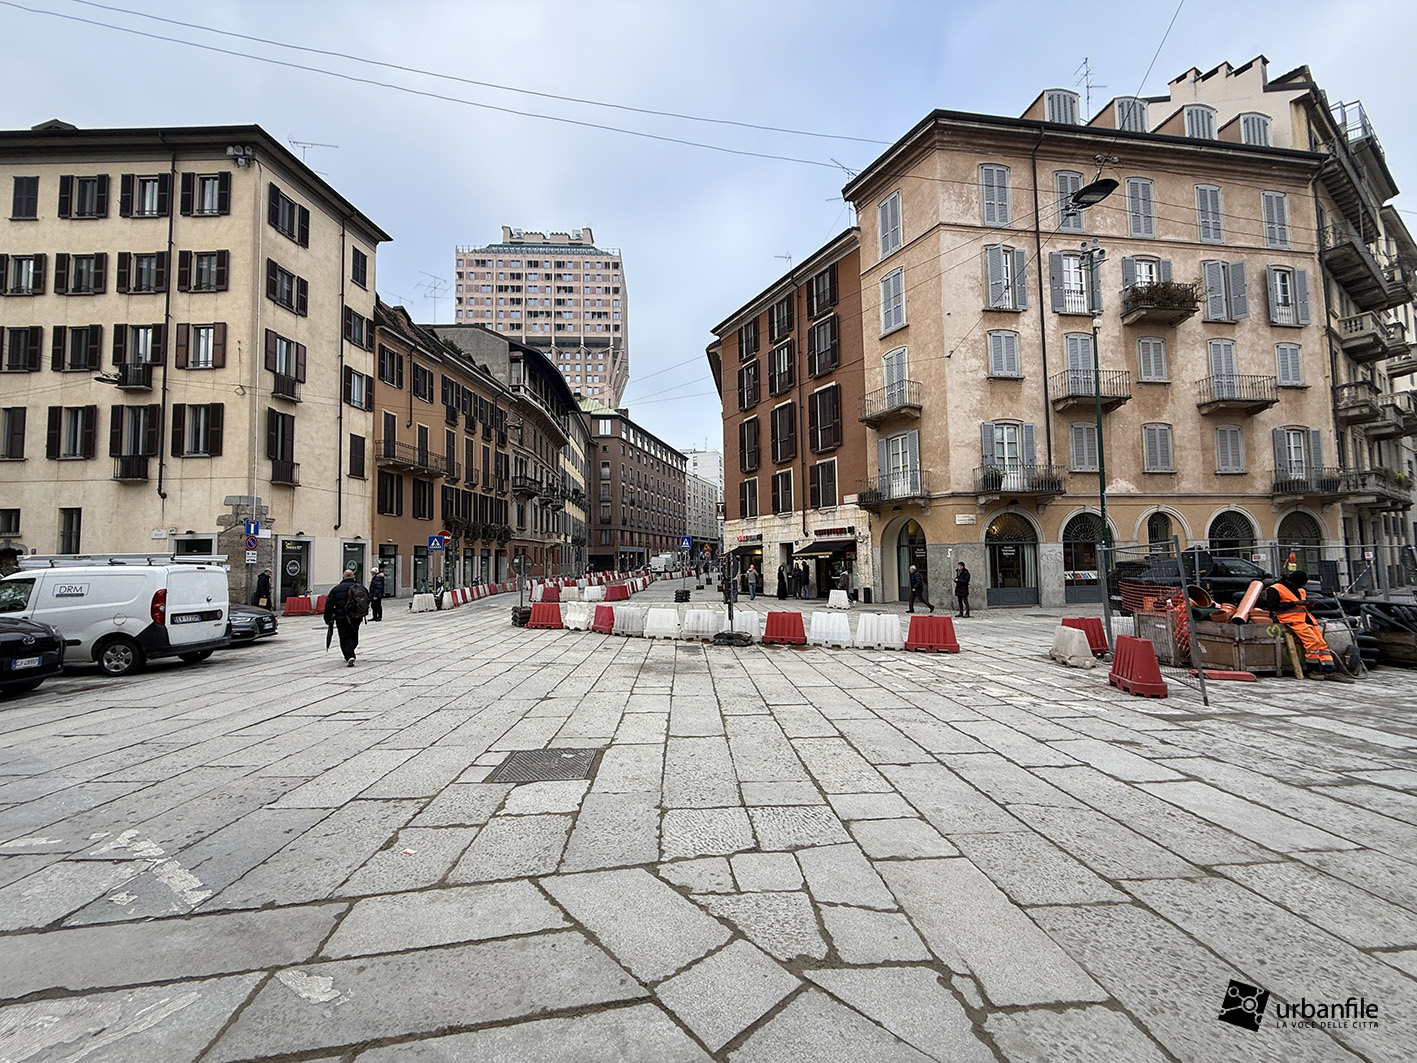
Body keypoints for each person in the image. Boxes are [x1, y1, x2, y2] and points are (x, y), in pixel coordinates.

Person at [1258, 569, 1335, 674]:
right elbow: (1272, 606)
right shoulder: (1275, 589)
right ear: (1292, 582)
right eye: (1299, 585)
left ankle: (1329, 669)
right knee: (1312, 642)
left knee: (1322, 644)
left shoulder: (1301, 590)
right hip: (1291, 620)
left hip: (1307, 620)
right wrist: (1295, 603)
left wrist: (1309, 605)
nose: (1300, 587)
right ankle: (1312, 669)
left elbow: (1302, 608)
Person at [324, 568, 370, 666]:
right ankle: (351, 650)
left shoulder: (336, 589)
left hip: (341, 617)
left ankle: (349, 655)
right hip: (356, 616)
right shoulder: (360, 588)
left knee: (344, 636)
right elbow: (368, 599)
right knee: (354, 634)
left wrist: (327, 618)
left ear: (343, 576)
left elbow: (328, 605)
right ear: (353, 576)